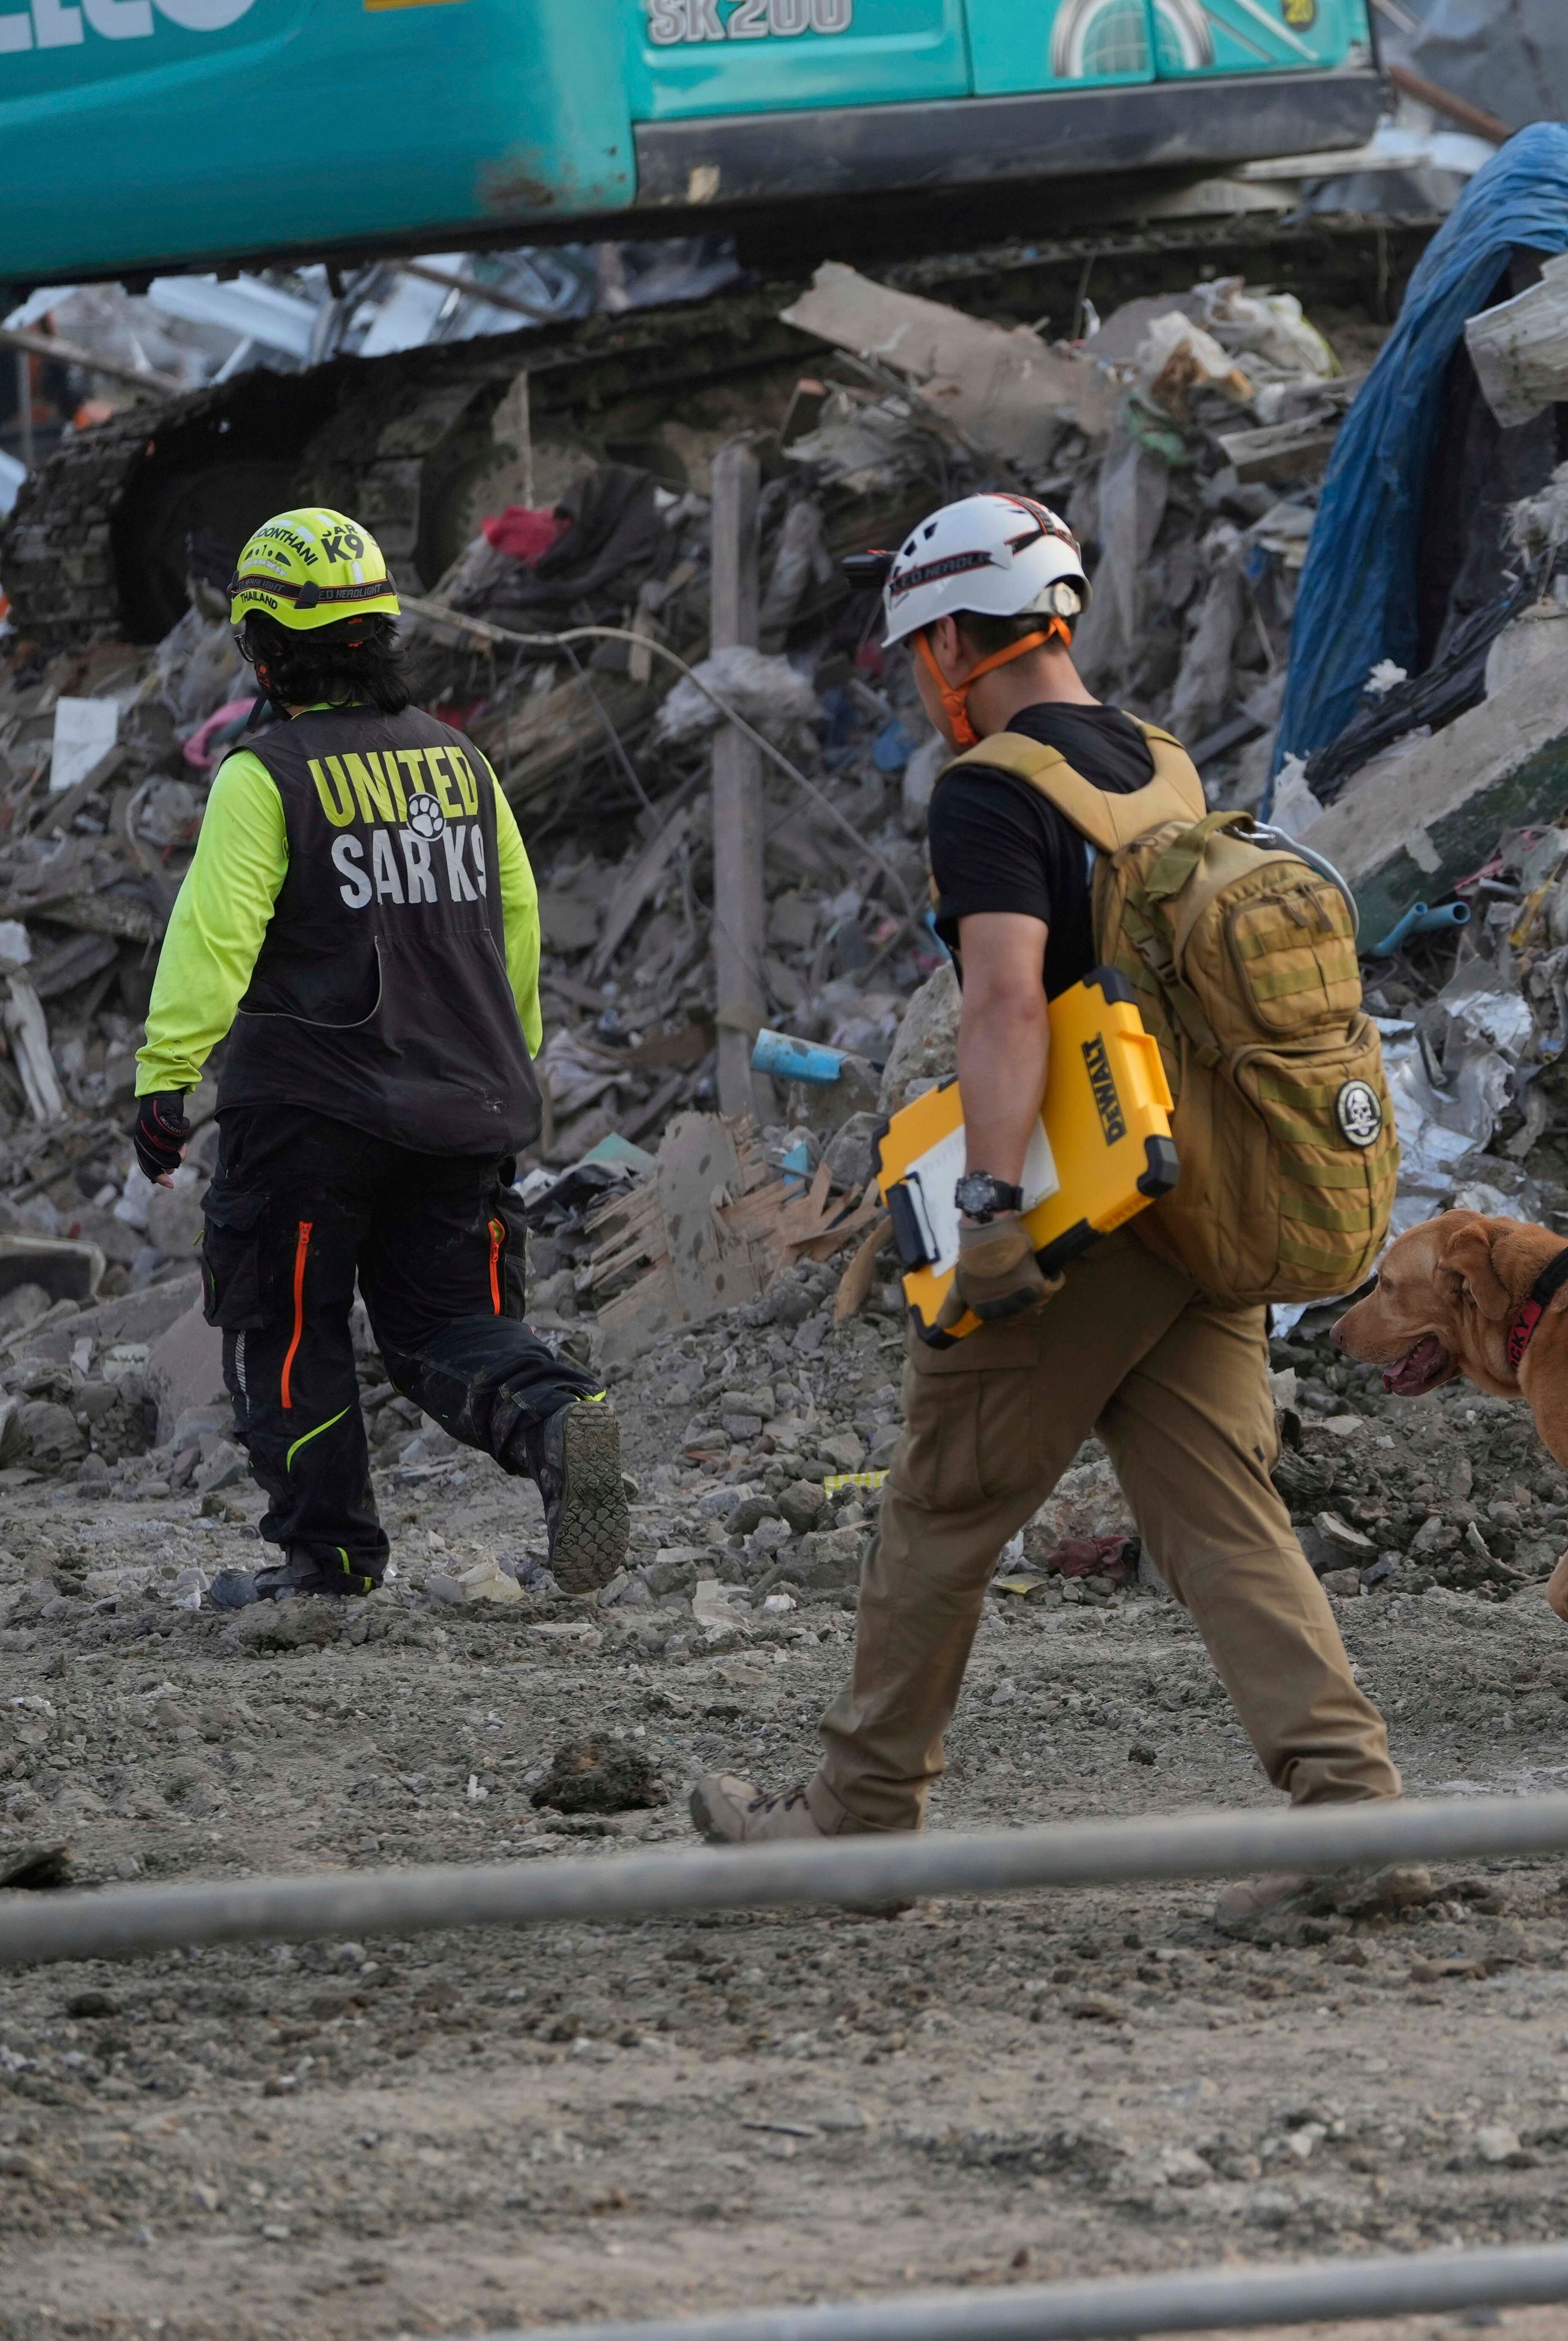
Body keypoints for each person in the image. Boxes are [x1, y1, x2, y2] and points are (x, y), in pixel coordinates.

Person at [688, 492, 1405, 1938]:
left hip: (1082, 1213)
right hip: (1202, 1195)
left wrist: (993, 1203)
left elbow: (1008, 1002)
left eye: (920, 653)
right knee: (1223, 1514)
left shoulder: (992, 792)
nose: (923, 680)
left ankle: (858, 1825)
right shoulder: (1161, 761)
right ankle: (1354, 1815)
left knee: (940, 1504)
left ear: (954, 640)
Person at [132, 507, 625, 1610]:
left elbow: (214, 937)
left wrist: (167, 1077)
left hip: (309, 1121)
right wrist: (511, 1061)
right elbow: (515, 922)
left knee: (285, 1330)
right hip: (466, 1107)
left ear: (265, 647)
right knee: (449, 1329)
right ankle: (557, 1416)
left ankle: (330, 1563)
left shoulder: (266, 774)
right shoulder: (462, 764)